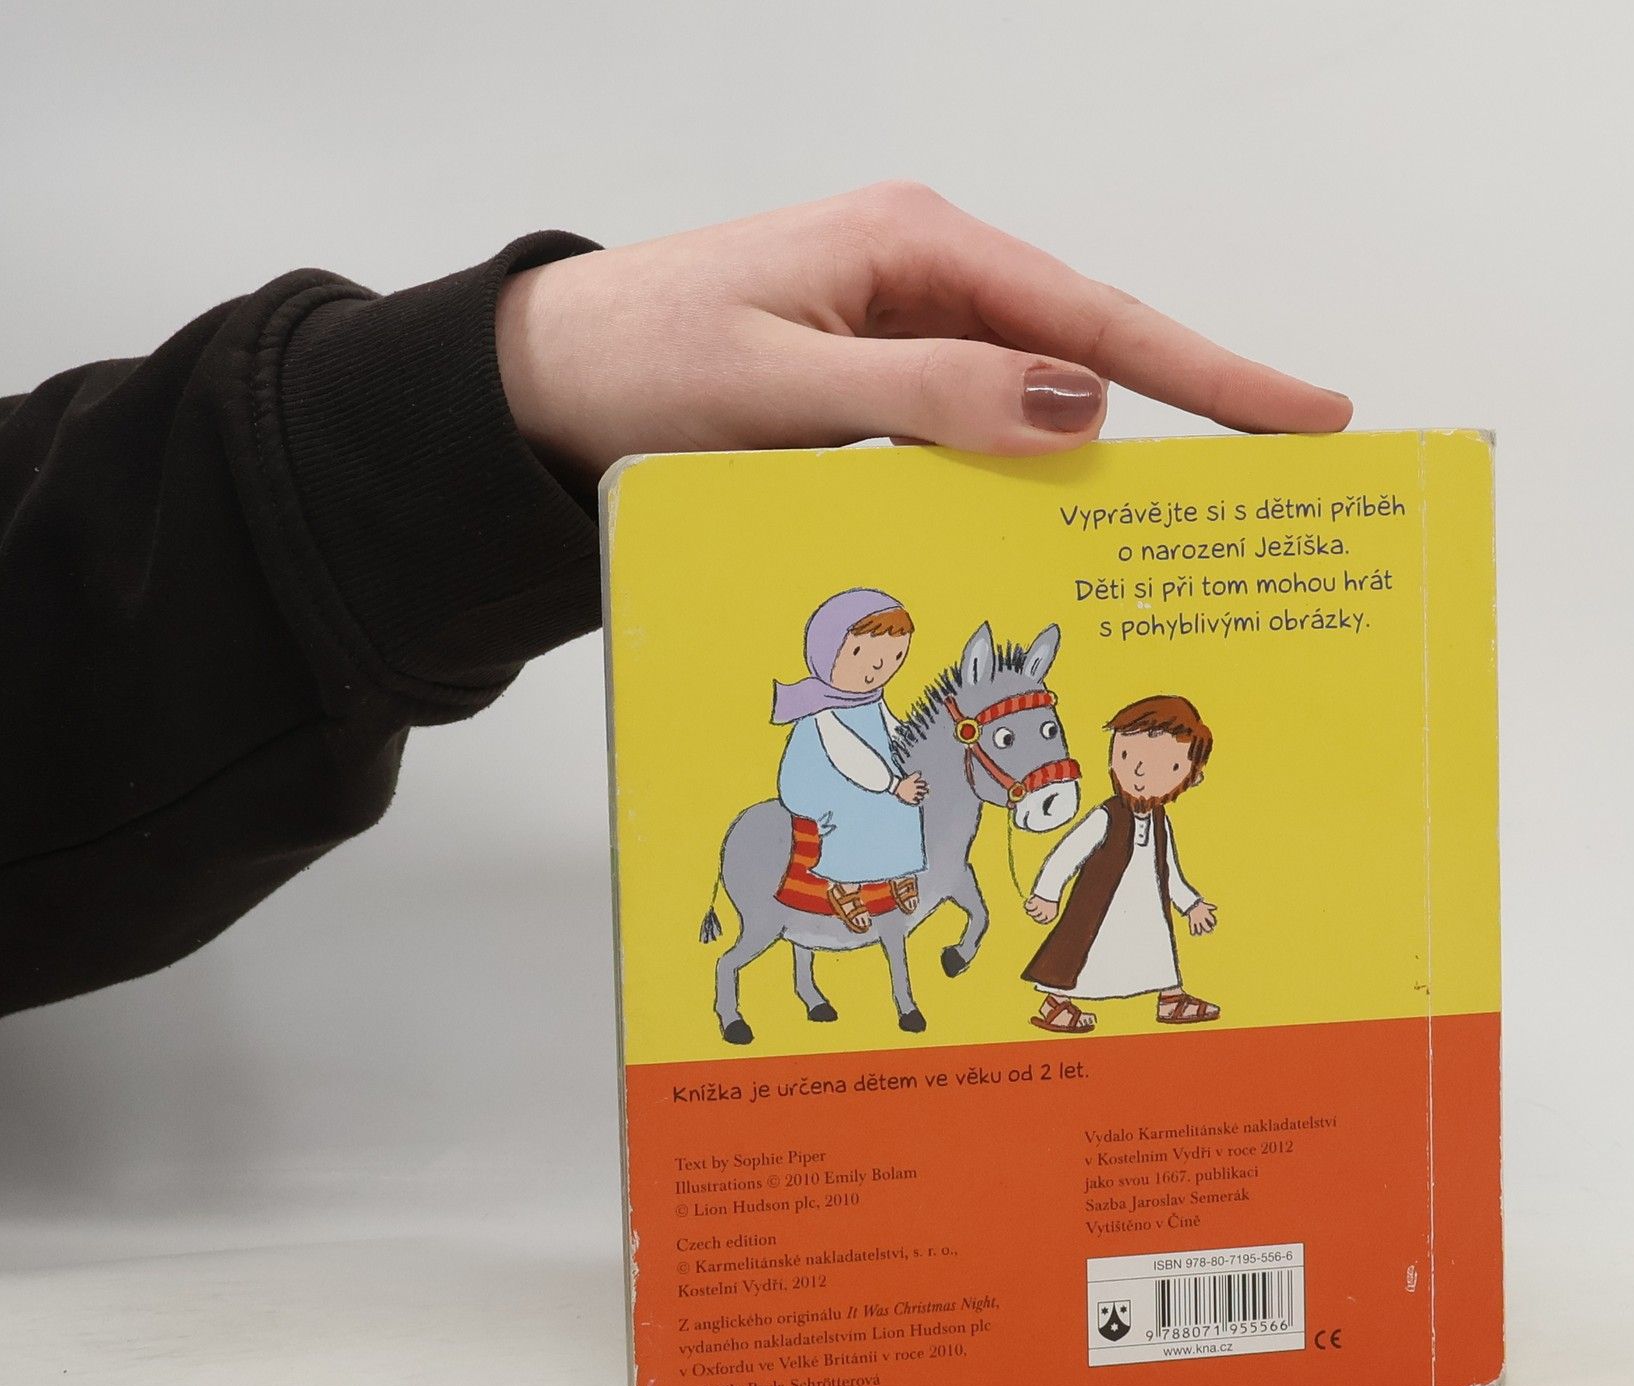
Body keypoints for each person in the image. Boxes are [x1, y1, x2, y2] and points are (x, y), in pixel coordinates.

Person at [0, 183, 1350, 1018]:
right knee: (869, 834)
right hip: (833, 795)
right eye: (871, 647)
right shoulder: (827, 716)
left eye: (888, 649)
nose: (882, 663)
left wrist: (488, 394)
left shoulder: (904, 719)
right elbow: (841, 765)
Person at [1023, 695, 1220, 1033]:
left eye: (1166, 766)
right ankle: (1055, 1003)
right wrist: (1047, 894)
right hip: (1101, 906)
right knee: (1082, 952)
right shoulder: (1105, 816)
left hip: (1146, 907)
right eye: (1127, 756)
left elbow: (1170, 872)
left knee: (1156, 944)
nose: (1139, 772)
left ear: (1191, 777)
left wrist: (1191, 905)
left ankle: (1171, 998)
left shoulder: (1160, 820)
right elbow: (1066, 854)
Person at [771, 588, 927, 932]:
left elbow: (893, 729)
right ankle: (845, 886)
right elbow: (849, 757)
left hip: (872, 772)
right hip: (819, 777)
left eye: (895, 657)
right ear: (828, 651)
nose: (878, 668)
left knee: (908, 802)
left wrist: (917, 748)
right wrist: (892, 785)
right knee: (859, 808)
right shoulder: (822, 708)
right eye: (860, 653)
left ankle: (900, 870)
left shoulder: (871, 699)